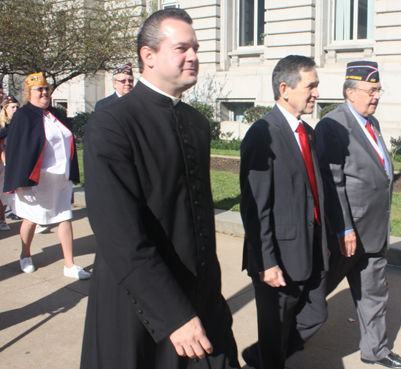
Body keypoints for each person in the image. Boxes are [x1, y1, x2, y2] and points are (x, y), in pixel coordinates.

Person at [80, 9, 240, 369]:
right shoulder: (112, 124)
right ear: (148, 56)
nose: (194, 56)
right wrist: (173, 315)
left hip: (201, 294)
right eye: (182, 47)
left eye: (196, 47)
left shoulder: (195, 122)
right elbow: (119, 234)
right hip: (141, 305)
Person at [315, 61, 401, 369]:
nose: (376, 97)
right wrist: (344, 229)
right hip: (347, 235)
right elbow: (332, 182)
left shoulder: (373, 123)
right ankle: (277, 346)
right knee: (314, 296)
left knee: (374, 295)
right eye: (371, 91)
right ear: (350, 92)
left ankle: (376, 351)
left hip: (374, 230)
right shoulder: (333, 125)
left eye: (378, 90)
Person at [240, 55, 329, 369]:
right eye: (311, 86)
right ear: (285, 89)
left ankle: (260, 355)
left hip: (310, 247)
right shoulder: (263, 134)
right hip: (277, 257)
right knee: (275, 330)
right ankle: (268, 356)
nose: (316, 93)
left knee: (316, 313)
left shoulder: (308, 132)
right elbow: (255, 207)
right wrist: (267, 262)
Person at [3, 73, 91, 280]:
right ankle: (25, 254)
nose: (44, 93)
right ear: (29, 93)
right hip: (35, 179)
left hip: (60, 178)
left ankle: (69, 265)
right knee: (32, 219)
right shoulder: (23, 115)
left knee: (64, 217)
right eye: (39, 90)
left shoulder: (55, 113)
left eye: (46, 89)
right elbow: (17, 151)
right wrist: (21, 182)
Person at [0, 95, 20, 230]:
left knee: (6, 192)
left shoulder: (18, 124)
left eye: (17, 107)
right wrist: (6, 163)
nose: (15, 110)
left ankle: (2, 219)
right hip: (3, 161)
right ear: (6, 109)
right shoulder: (2, 126)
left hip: (13, 160)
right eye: (13, 107)